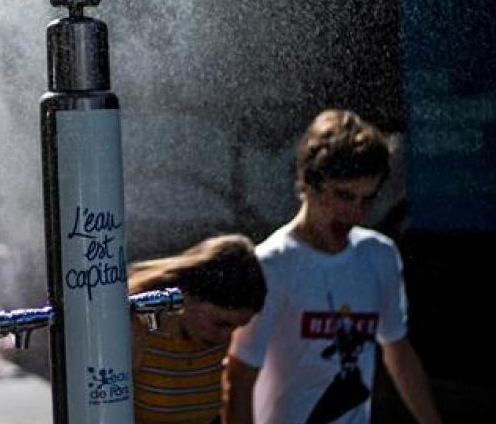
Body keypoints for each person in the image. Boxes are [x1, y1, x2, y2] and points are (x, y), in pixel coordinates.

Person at [224, 110, 443, 424]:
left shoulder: (379, 255)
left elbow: (398, 350)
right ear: (309, 183)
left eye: (367, 199)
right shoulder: (271, 265)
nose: (355, 212)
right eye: (344, 196)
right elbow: (238, 378)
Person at [128, 234, 267, 424]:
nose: (227, 336)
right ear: (187, 296)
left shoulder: (216, 345)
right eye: (221, 323)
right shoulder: (138, 330)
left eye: (237, 327)